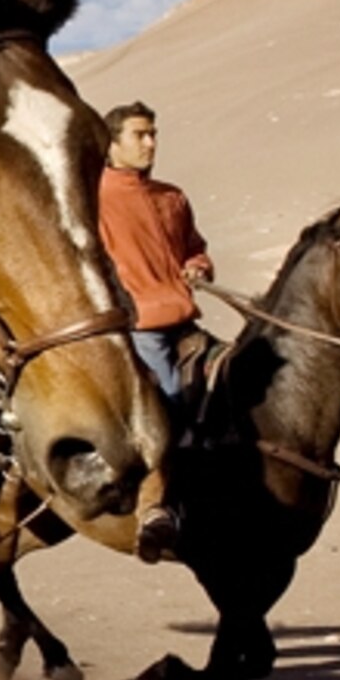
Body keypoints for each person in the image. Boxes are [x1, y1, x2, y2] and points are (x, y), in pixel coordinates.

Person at [97, 99, 214, 557]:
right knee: (169, 411)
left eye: (153, 133)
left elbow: (195, 247)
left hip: (185, 321)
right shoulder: (96, 197)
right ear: (113, 142)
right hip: (139, 327)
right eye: (139, 135)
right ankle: (155, 509)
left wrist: (198, 267)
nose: (150, 143)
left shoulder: (171, 196)